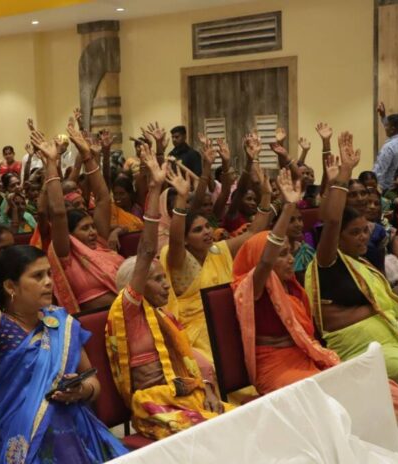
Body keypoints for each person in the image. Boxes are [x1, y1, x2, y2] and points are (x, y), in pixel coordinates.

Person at [0, 132, 127, 463]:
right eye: (37, 277)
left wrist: (80, 390)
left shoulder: (59, 322)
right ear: (10, 286)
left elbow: (93, 381)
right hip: (20, 439)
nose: (48, 282)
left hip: (74, 425)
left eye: (49, 274)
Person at [107, 141, 230, 440]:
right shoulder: (129, 310)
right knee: (211, 437)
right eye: (157, 280)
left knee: (236, 421)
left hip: (188, 393)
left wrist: (210, 390)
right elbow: (148, 249)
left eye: (165, 279)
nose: (166, 285)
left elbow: (192, 361)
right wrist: (154, 187)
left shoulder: (163, 316)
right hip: (154, 403)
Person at [306, 132, 398, 388]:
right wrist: (344, 173)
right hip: (360, 351)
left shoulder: (361, 264)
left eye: (365, 230)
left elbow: (385, 305)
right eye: (355, 232)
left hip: (389, 339)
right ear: (337, 238)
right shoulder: (327, 262)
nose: (364, 237)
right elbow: (331, 220)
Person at [162, 137, 272, 361]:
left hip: (226, 323)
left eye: (207, 227)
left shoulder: (217, 250)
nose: (206, 232)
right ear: (185, 239)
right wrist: (182, 199)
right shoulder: (178, 259)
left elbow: (253, 234)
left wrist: (267, 195)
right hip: (195, 336)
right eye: (197, 230)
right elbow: (174, 240)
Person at [232, 169, 339, 395]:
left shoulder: (291, 286)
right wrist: (288, 206)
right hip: (274, 367)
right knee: (328, 395)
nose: (290, 259)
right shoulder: (254, 286)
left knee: (385, 389)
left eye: (289, 252)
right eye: (282, 254)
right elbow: (266, 262)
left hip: (301, 356)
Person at [43, 123, 125, 313]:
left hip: (129, 315)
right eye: (85, 228)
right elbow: (58, 212)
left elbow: (104, 198)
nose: (92, 232)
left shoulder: (100, 244)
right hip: (96, 328)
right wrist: (51, 164)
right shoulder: (67, 254)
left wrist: (87, 156)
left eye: (92, 227)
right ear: (70, 235)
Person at [373, 103, 398, 191]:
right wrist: (383, 116)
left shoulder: (389, 147)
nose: (385, 128)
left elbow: (378, 172)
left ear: (392, 129)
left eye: (387, 126)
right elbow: (391, 127)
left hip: (391, 193)